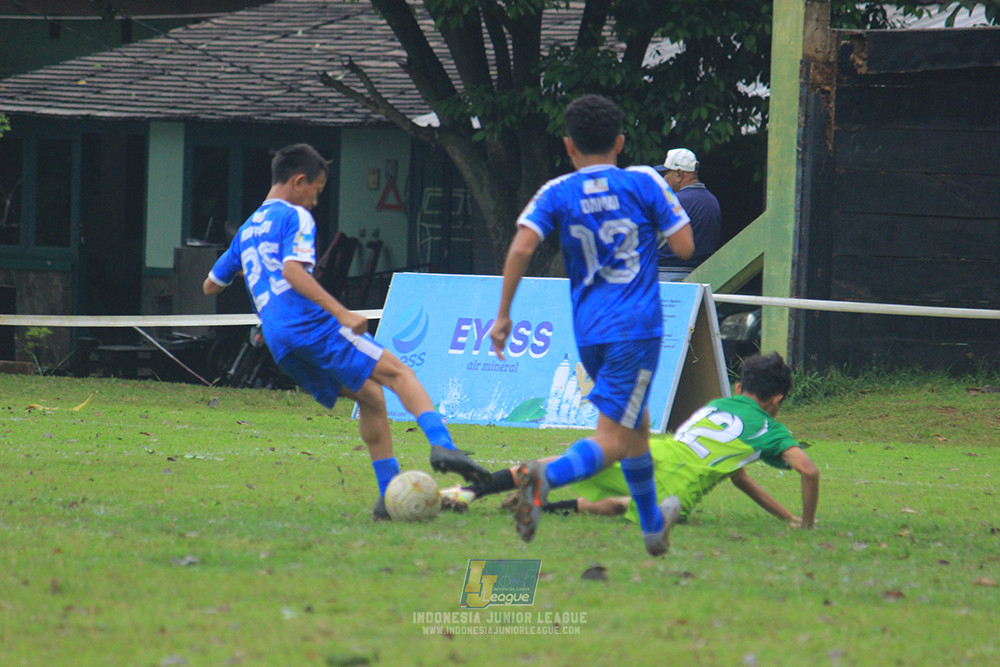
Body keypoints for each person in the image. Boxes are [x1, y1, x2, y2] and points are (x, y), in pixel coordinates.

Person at [202, 143, 491, 519]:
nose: (315, 201)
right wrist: (341, 312)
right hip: (311, 327)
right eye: (317, 190)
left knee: (370, 395)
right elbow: (292, 271)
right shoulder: (296, 216)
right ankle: (444, 445)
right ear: (299, 181)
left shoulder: (247, 230)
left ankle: (387, 497)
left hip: (280, 344)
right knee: (400, 373)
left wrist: (254, 269)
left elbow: (211, 285)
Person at [491, 94, 695, 556]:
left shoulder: (556, 190)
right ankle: (545, 478)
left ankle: (651, 526)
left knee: (637, 423)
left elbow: (521, 247)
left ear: (569, 146)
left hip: (589, 331)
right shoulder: (645, 181)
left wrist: (503, 315)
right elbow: (685, 246)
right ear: (620, 142)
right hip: (635, 328)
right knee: (614, 440)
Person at [442, 352, 820, 532]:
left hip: (653, 451)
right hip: (678, 483)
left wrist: (786, 517)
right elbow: (809, 471)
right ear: (777, 399)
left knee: (564, 461)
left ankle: (469, 491)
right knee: (620, 506)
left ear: (739, 388)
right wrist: (804, 521)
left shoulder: (719, 405)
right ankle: (547, 504)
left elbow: (739, 478)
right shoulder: (770, 428)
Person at [657, 148, 721, 282]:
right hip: (701, 276)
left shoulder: (675, 201)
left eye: (667, 173)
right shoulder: (712, 201)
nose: (664, 178)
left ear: (679, 174)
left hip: (666, 275)